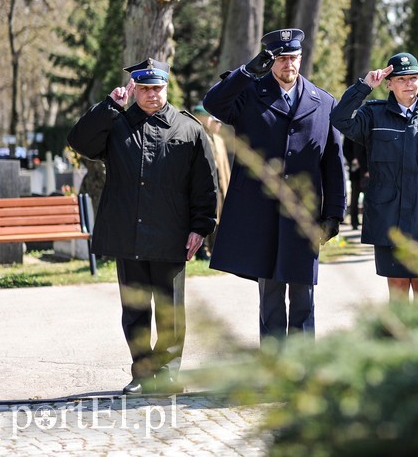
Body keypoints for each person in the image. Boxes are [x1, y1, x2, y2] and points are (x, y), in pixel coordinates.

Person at [67, 58, 217, 395]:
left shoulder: (188, 128)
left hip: (172, 234)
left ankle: (167, 374)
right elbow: (78, 140)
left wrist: (201, 226)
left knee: (170, 310)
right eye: (145, 89)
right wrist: (109, 106)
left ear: (166, 87)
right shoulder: (116, 124)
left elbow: (205, 184)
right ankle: (142, 373)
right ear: (135, 89)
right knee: (134, 310)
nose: (152, 94)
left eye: (157, 88)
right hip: (128, 233)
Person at [202, 28, 345, 340]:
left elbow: (333, 163)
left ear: (301, 58)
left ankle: (303, 367)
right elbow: (213, 103)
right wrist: (246, 73)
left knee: (304, 298)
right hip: (262, 214)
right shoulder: (249, 95)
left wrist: (334, 213)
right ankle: (274, 367)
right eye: (281, 59)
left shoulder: (323, 103)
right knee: (271, 297)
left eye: (292, 58)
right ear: (270, 61)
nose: (288, 65)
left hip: (304, 217)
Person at [331, 53, 418, 303]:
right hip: (389, 216)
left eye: (413, 78)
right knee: (398, 293)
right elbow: (339, 119)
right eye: (401, 79)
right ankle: (398, 342)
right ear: (389, 83)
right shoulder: (373, 115)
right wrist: (364, 87)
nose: (408, 84)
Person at [192, 104, 232, 259]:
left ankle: (214, 250)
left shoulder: (217, 139)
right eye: (212, 119)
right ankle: (203, 251)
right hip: (204, 186)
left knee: (218, 219)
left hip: (220, 185)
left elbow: (223, 166)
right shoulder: (197, 135)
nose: (217, 124)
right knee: (205, 218)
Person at [342, 137, 368, 230]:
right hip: (356, 170)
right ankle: (354, 221)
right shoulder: (349, 133)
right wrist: (352, 159)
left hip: (366, 170)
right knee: (354, 197)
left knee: (367, 198)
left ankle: (366, 221)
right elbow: (345, 149)